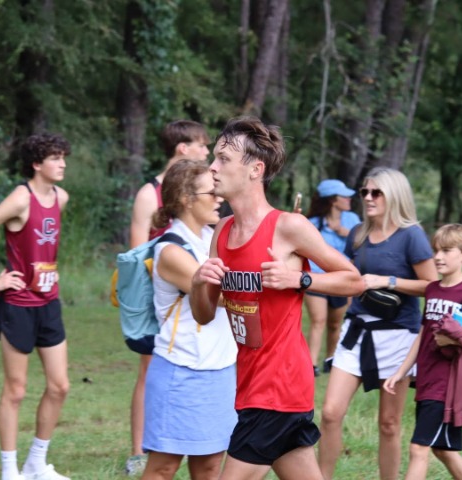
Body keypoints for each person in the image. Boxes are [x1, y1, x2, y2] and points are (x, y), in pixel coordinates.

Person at [189, 116, 364, 480]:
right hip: (250, 381)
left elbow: (353, 280)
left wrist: (298, 279)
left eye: (223, 159)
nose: (213, 167)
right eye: (215, 157)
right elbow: (204, 315)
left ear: (255, 169)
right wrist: (197, 282)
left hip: (278, 386)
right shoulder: (222, 231)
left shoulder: (287, 226)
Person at [0, 133, 71, 480]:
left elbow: (43, 247)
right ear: (36, 164)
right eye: (55, 158)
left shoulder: (61, 197)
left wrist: (48, 272)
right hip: (18, 305)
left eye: (63, 157)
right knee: (16, 390)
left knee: (60, 386)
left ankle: (36, 463)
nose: (62, 164)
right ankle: (9, 471)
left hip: (49, 303)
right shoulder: (20, 198)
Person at [318, 167, 438, 480]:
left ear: (394, 196)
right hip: (356, 331)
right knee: (330, 413)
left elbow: (433, 286)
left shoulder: (411, 235)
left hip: (397, 336)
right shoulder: (358, 233)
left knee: (389, 424)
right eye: (365, 192)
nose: (368, 198)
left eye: (376, 192)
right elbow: (345, 277)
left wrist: (388, 280)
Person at [140, 159, 237, 480]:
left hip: (221, 368)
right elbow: (219, 295)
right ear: (186, 198)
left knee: (209, 467)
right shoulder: (170, 250)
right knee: (163, 467)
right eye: (211, 192)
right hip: (180, 370)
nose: (219, 198)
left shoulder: (213, 238)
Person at [126, 120, 211, 475]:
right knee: (149, 369)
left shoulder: (205, 192)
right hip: (162, 290)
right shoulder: (150, 193)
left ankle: (181, 442)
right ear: (182, 148)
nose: (207, 151)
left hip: (194, 291)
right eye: (201, 145)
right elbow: (138, 253)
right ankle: (139, 450)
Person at [383, 223, 462, 480]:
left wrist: (458, 339)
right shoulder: (432, 289)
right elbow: (423, 334)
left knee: (418, 448)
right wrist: (401, 371)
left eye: (446, 251)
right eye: (436, 250)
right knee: (443, 450)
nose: (438, 257)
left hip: (446, 384)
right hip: (426, 379)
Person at [304, 179, 361, 376]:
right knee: (318, 320)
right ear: (332, 200)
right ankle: (311, 365)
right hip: (316, 279)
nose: (349, 199)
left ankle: (331, 359)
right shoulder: (312, 224)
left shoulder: (352, 220)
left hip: (341, 280)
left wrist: (343, 232)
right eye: (344, 196)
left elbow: (363, 242)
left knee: (335, 323)